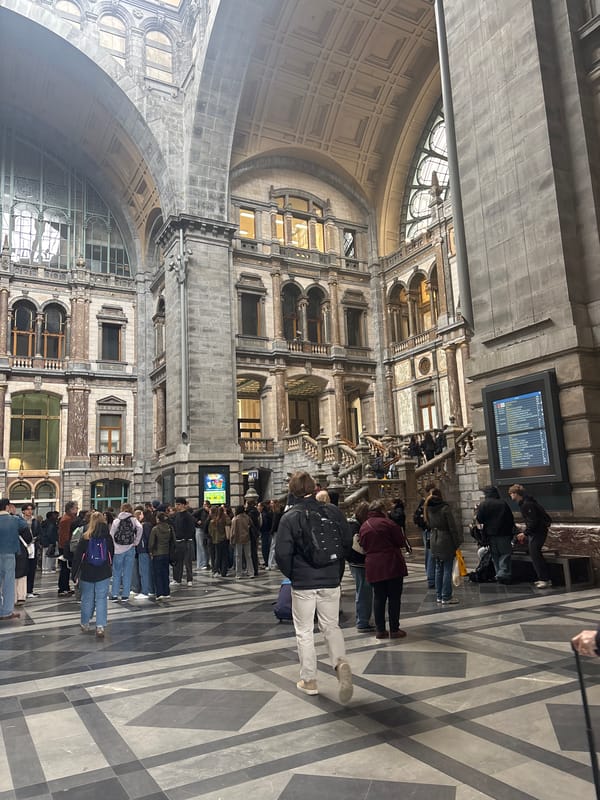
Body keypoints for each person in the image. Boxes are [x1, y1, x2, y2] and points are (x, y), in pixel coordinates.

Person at [275, 470, 353, 703]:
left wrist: (294, 574)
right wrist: (335, 570)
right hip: (330, 578)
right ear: (314, 487)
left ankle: (309, 679)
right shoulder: (332, 511)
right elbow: (346, 542)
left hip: (303, 582)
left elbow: (282, 554)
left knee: (304, 631)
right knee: (331, 626)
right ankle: (340, 662)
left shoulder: (289, 517)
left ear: (292, 490)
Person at [359, 500, 409, 639]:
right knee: (394, 598)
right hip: (391, 563)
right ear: (382, 510)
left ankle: (380, 630)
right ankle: (394, 629)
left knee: (378, 597)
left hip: (373, 565)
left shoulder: (364, 526)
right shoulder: (389, 524)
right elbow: (401, 541)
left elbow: (363, 545)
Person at [72, 511, 114, 638]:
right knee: (101, 598)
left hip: (87, 572)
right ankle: (100, 626)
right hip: (103, 571)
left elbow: (77, 557)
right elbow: (111, 554)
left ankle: (85, 623)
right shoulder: (108, 538)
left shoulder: (85, 537)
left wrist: (74, 574)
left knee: (87, 597)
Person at [508, 484, 552, 588]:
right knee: (534, 554)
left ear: (516, 494)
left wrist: (525, 533)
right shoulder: (527, 503)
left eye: (511, 493)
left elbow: (533, 521)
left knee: (535, 554)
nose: (510, 496)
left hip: (537, 532)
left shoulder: (527, 504)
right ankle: (543, 578)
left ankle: (544, 579)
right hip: (536, 531)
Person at [424, 487, 463, 605]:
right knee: (447, 569)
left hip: (434, 539)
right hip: (445, 539)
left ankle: (439, 595)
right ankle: (446, 596)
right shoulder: (445, 508)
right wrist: (457, 543)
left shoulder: (428, 508)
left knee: (438, 568)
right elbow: (452, 527)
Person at [475, 486, 514, 584]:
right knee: (505, 554)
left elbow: (479, 519)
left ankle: (498, 573)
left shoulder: (484, 504)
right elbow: (510, 519)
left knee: (495, 555)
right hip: (504, 533)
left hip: (490, 534)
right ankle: (503, 574)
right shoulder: (503, 503)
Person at [0, 498, 28, 620]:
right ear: (7, 507)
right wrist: (14, 514)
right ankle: (6, 611)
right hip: (9, 554)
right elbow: (24, 525)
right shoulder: (14, 519)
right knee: (8, 583)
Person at [346, 501, 373, 632]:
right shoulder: (355, 526)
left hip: (355, 561)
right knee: (364, 592)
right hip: (359, 562)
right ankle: (362, 621)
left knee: (363, 591)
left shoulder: (351, 523)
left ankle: (363, 619)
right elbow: (357, 546)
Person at [109, 503, 142, 601]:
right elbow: (140, 528)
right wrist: (136, 542)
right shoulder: (133, 520)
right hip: (130, 548)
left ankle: (114, 594)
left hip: (118, 550)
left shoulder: (116, 521)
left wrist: (114, 545)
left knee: (116, 573)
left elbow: (111, 534)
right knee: (128, 572)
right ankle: (125, 595)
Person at [149, 512, 176, 600]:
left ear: (158, 519)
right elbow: (173, 541)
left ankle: (159, 593)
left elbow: (151, 543)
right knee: (165, 573)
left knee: (158, 574)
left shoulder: (155, 529)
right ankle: (166, 592)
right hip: (167, 553)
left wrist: (150, 551)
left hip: (157, 553)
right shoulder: (170, 528)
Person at [413, 483, 436, 588]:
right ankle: (431, 578)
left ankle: (431, 576)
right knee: (430, 554)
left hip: (427, 531)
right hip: (429, 531)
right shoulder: (427, 503)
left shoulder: (424, 502)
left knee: (429, 554)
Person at [172, 497, 196, 587]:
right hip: (178, 541)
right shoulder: (176, 515)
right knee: (178, 562)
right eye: (176, 504)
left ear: (183, 505)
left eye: (178, 504)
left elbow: (192, 529)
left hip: (186, 541)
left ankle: (189, 579)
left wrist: (186, 537)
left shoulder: (188, 516)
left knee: (187, 561)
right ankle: (177, 579)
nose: (177, 506)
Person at [57, 500, 78, 597]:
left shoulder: (69, 518)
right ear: (71, 509)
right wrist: (67, 547)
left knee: (67, 568)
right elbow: (64, 535)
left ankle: (66, 587)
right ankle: (63, 588)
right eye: (76, 508)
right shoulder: (66, 520)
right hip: (66, 547)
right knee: (65, 568)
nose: (77, 509)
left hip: (66, 545)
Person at [230, 505, 252, 578]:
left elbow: (233, 531)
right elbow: (250, 525)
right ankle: (251, 572)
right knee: (248, 556)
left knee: (238, 556)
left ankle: (239, 573)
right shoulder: (247, 517)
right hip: (247, 538)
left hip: (238, 539)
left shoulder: (235, 519)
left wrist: (231, 540)